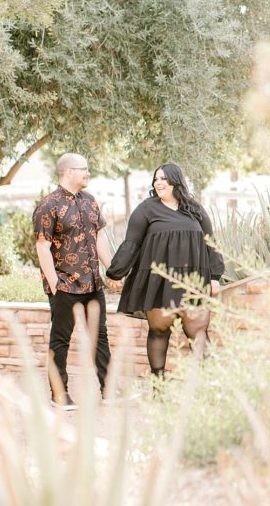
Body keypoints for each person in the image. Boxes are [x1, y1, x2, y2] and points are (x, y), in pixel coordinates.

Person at [106, 162, 224, 378]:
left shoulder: (194, 209)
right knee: (159, 332)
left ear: (175, 181)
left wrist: (215, 277)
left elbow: (210, 242)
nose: (158, 183)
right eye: (156, 179)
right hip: (159, 283)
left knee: (197, 333)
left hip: (193, 282)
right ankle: (158, 383)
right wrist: (115, 273)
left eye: (163, 179)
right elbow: (132, 244)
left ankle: (208, 383)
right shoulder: (145, 209)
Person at [33, 152, 114, 409]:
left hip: (93, 283)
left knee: (99, 337)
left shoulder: (90, 201)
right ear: (69, 172)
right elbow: (42, 246)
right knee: (61, 340)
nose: (87, 173)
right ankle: (59, 396)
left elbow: (99, 236)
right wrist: (55, 282)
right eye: (84, 169)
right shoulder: (48, 205)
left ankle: (110, 390)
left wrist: (111, 269)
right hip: (65, 285)